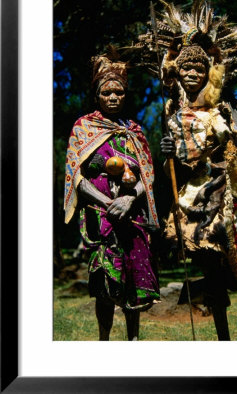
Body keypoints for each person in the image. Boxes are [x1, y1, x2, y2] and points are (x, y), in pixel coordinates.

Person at [134, 0, 237, 341]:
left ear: (210, 71)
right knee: (212, 273)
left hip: (230, 195)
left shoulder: (225, 108)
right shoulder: (172, 114)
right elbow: (173, 168)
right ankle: (223, 340)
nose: (192, 74)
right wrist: (169, 156)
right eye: (185, 69)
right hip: (197, 199)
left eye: (199, 68)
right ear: (176, 72)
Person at [64, 47, 160, 341]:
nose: (114, 97)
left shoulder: (134, 131)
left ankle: (133, 341)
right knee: (104, 284)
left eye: (119, 92)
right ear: (97, 96)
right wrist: (108, 202)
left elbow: (148, 174)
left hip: (133, 218)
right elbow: (76, 177)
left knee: (133, 279)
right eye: (107, 93)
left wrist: (130, 199)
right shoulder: (84, 128)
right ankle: (103, 343)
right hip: (100, 218)